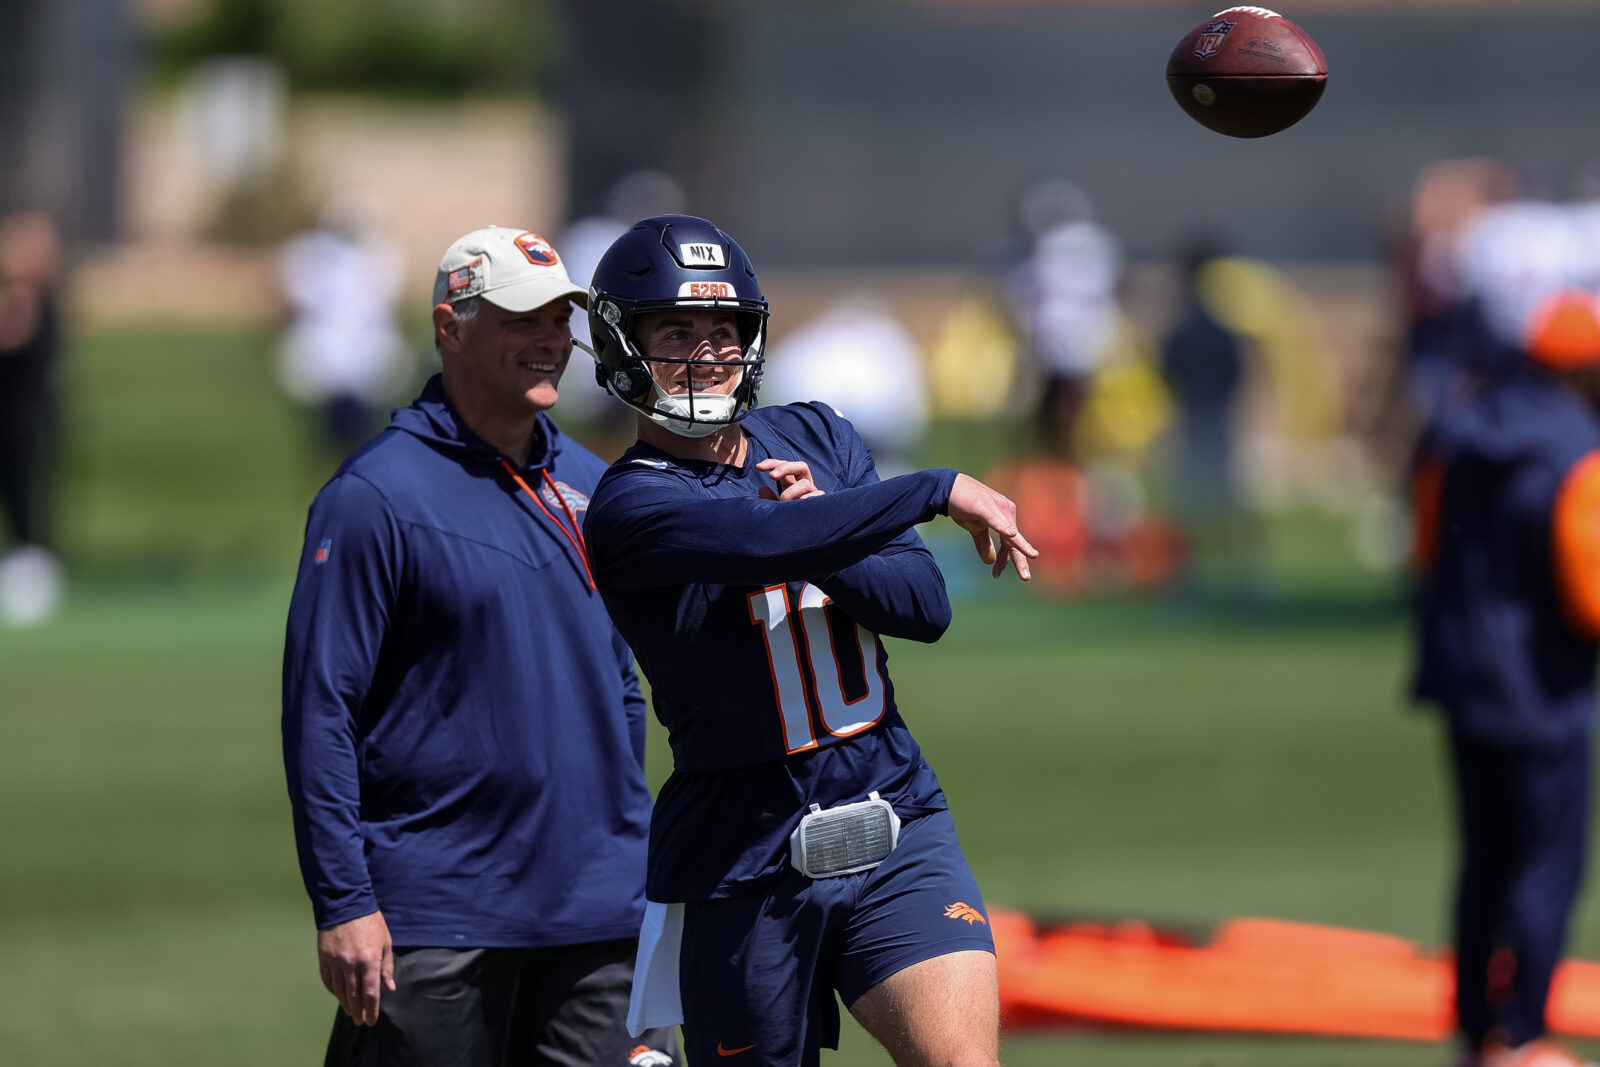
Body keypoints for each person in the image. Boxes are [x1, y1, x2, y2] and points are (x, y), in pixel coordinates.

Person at [578, 215, 1038, 1067]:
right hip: (744, 854)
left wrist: (820, 524)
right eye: (675, 330)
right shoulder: (629, 505)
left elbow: (921, 603)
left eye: (724, 331)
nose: (705, 353)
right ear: (624, 343)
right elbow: (754, 541)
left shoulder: (817, 434)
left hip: (895, 814)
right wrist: (931, 489)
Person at [282, 224, 675, 1067]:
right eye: (521, 319)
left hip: (604, 922)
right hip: (435, 923)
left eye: (560, 321)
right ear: (449, 326)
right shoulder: (372, 499)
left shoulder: (600, 488)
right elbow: (321, 712)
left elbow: (623, 681)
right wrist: (344, 901)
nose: (549, 342)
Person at [1410, 288, 1600, 1067]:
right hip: (1546, 684)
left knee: (1483, 853)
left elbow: (1424, 544)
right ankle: (1522, 1034)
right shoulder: (1577, 446)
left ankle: (1471, 1030)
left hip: (1464, 672)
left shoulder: (1458, 429)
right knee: (1548, 858)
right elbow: (1589, 588)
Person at [275, 191, 410, 465]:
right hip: (325, 350)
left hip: (366, 350)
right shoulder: (310, 255)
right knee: (333, 429)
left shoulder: (383, 256)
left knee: (362, 427)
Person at [0, 210, 65, 627]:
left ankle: (32, 580)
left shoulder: (35, 302)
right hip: (11, 420)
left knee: (27, 505)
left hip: (26, 424)